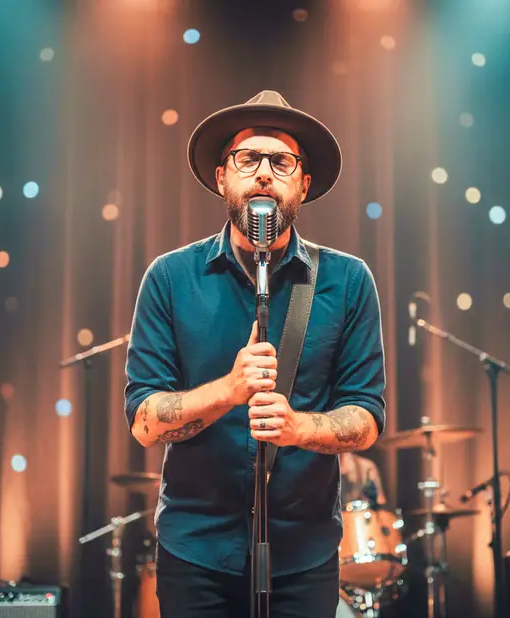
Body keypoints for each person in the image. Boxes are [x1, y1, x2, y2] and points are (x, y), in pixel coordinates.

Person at [124, 90, 387, 618]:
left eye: (282, 161)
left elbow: (367, 417)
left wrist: (298, 429)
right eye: (248, 159)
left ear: (303, 184)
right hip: (195, 550)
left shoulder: (348, 280)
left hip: (302, 552)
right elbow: (144, 424)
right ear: (222, 177)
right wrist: (230, 389)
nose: (264, 172)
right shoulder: (170, 278)